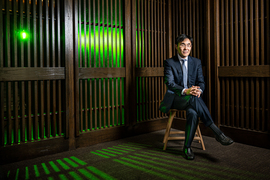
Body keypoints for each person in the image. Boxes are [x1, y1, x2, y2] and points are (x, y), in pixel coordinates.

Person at [159, 34, 233, 160]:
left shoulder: (196, 62)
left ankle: (187, 147)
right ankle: (216, 132)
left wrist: (199, 90)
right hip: (175, 99)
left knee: (193, 112)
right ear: (176, 46)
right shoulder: (169, 62)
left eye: (188, 45)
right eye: (182, 45)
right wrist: (186, 91)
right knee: (193, 99)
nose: (185, 48)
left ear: (191, 47)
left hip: (192, 98)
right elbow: (170, 84)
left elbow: (201, 82)